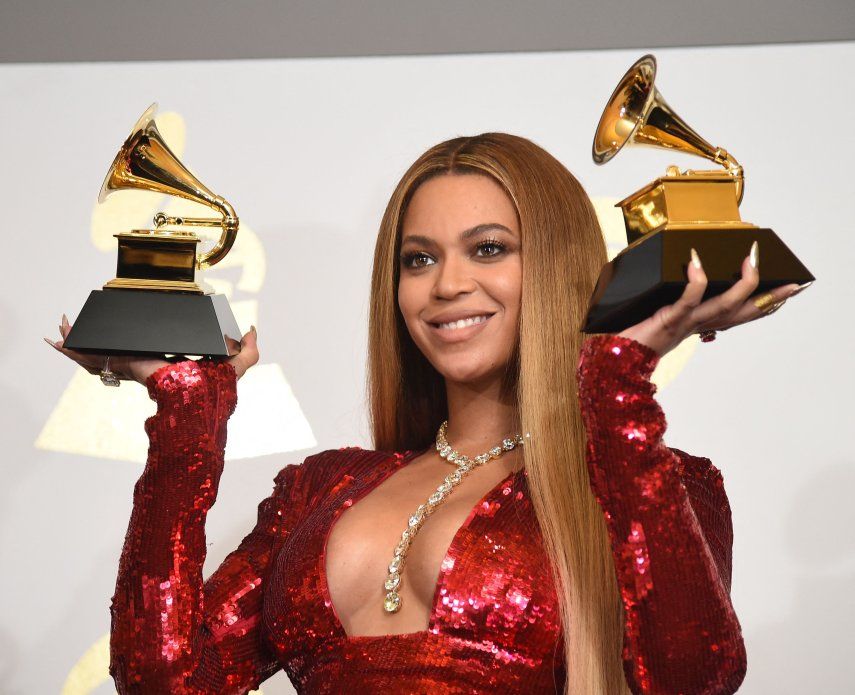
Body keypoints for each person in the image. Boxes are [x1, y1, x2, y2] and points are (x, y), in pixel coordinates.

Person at [47, 133, 807, 694]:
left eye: (487, 249)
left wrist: (616, 380)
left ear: (555, 264)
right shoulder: (320, 489)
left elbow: (691, 676)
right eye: (417, 259)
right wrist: (188, 414)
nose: (444, 285)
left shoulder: (649, 481)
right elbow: (163, 684)